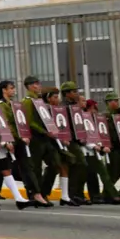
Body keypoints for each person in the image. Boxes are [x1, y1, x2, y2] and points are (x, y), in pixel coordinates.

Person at [20, 76, 57, 211]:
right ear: (29, 86)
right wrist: (44, 131)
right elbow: (29, 121)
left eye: (38, 83)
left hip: (45, 137)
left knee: (54, 164)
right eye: (36, 84)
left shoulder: (39, 100)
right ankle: (35, 194)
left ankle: (43, 192)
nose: (39, 86)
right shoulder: (28, 101)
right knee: (35, 167)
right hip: (36, 138)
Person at [55, 82, 89, 206]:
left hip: (76, 139)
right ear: (67, 93)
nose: (77, 93)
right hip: (67, 140)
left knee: (80, 166)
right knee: (79, 164)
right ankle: (71, 194)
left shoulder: (75, 106)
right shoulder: (62, 107)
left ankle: (76, 194)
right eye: (74, 91)